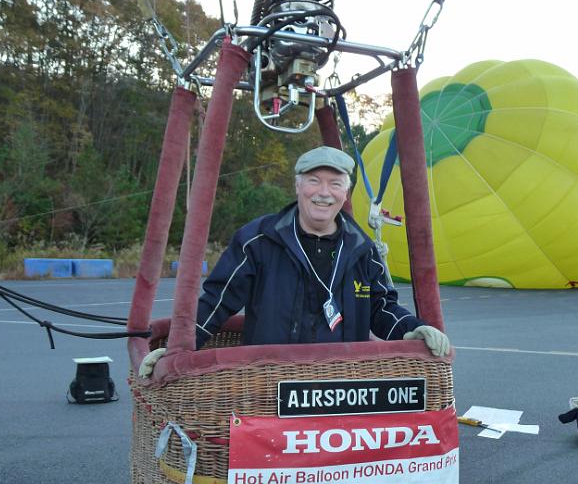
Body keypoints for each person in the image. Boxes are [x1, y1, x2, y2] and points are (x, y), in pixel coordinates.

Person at [140, 146, 449, 376]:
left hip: (343, 383)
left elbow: (381, 307)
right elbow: (216, 301)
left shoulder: (362, 250)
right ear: (298, 185)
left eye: (335, 183)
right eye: (314, 181)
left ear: (347, 192)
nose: (324, 193)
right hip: (269, 381)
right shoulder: (258, 241)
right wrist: (179, 347)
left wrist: (413, 328)